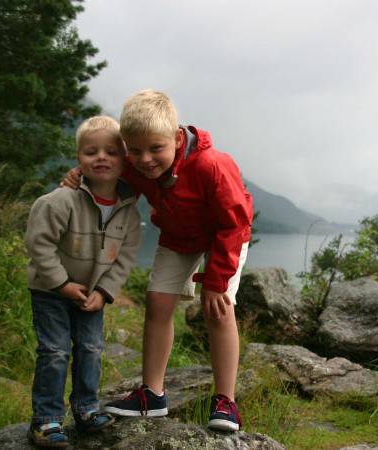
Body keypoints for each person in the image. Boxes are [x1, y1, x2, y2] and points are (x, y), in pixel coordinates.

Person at [63, 89, 253, 431]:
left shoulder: (212, 165)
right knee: (157, 302)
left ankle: (225, 401)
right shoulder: (134, 165)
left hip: (225, 236)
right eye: (134, 150)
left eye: (155, 149)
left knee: (218, 309)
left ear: (177, 138)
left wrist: (215, 281)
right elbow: (109, 173)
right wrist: (81, 176)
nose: (145, 159)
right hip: (179, 236)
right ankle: (152, 395)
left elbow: (234, 222)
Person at [25, 116, 142, 448]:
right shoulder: (60, 201)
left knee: (91, 349)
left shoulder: (129, 212)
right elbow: (39, 244)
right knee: (55, 351)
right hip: (50, 290)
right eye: (91, 151)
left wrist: (104, 293)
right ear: (78, 159)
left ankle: (87, 410)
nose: (101, 157)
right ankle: (46, 420)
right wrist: (62, 284)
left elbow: (125, 258)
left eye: (111, 152)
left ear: (126, 161)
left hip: (92, 294)